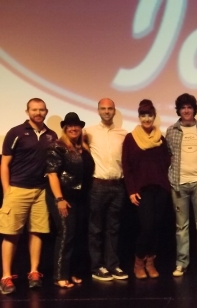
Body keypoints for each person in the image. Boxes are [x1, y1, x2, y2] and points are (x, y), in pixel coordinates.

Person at [0, 98, 57, 294]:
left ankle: (34, 272)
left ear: (46, 111)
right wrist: (7, 190)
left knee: (37, 231)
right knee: (11, 233)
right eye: (34, 110)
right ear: (27, 112)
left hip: (41, 190)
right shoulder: (16, 132)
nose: (38, 113)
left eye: (41, 110)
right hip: (18, 189)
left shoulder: (52, 135)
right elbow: (4, 163)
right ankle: (6, 277)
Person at [166, 93, 197, 276]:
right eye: (183, 108)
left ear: (194, 109)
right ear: (179, 110)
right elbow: (168, 155)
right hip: (179, 183)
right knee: (181, 226)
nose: (186, 110)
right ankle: (181, 262)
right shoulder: (171, 131)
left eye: (189, 107)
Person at [122, 100, 171, 279]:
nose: (147, 119)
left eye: (150, 115)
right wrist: (131, 190)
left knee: (157, 226)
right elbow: (126, 166)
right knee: (147, 226)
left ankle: (151, 261)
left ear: (154, 117)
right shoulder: (131, 138)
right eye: (143, 115)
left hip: (161, 188)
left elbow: (167, 162)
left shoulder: (161, 138)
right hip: (142, 190)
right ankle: (138, 261)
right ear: (139, 117)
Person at [45, 112, 95, 288]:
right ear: (65, 128)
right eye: (70, 126)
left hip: (81, 198)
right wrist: (59, 199)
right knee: (66, 235)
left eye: (77, 126)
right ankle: (60, 276)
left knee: (79, 236)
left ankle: (73, 272)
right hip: (63, 197)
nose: (74, 128)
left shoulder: (83, 147)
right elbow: (52, 175)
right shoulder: (57, 146)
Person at [85, 98, 129, 281]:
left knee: (114, 228)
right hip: (98, 185)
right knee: (95, 228)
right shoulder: (89, 132)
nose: (106, 111)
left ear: (114, 111)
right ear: (98, 111)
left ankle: (113, 265)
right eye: (103, 108)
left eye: (110, 108)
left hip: (118, 185)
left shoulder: (124, 133)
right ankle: (98, 266)